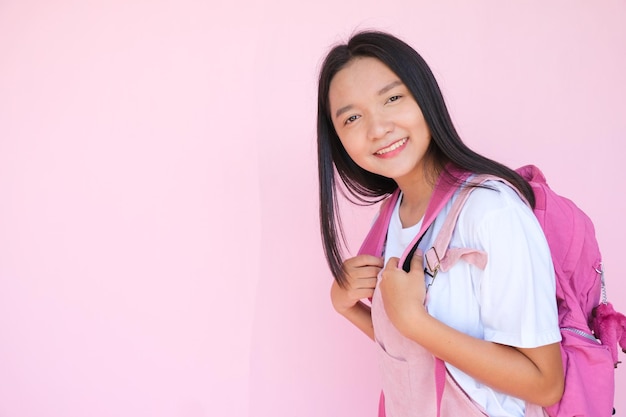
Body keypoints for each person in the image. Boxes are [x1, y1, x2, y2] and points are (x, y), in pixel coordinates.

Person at [316, 31, 564, 417]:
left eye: (393, 98)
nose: (377, 128)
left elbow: (545, 383)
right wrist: (348, 307)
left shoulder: (490, 211)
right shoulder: (392, 217)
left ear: (425, 97)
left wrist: (415, 320)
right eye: (352, 117)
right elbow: (412, 354)